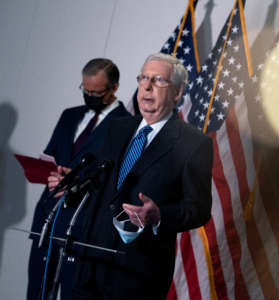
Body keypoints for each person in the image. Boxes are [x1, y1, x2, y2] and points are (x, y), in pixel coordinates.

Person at [49, 53, 213, 300]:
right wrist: (73, 182)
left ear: (177, 93)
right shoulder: (119, 128)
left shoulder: (193, 143)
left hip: (136, 273)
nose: (146, 87)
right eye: (143, 78)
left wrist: (159, 216)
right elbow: (102, 182)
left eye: (158, 80)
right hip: (89, 263)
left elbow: (199, 209)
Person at [27, 58, 130, 300]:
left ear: (114, 87)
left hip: (82, 223)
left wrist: (77, 183)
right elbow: (51, 157)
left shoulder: (126, 125)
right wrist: (49, 173)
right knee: (36, 291)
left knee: (74, 293)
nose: (89, 95)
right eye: (85, 90)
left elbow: (117, 179)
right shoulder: (69, 116)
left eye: (96, 92)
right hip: (48, 218)